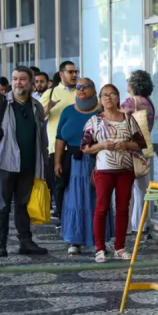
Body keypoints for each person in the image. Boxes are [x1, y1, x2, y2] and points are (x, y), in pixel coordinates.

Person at [0, 66, 49, 258]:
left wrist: (43, 160)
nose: (18, 82)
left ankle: (26, 242)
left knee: (22, 204)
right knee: (2, 205)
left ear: (31, 82)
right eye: (15, 78)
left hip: (28, 164)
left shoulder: (36, 106)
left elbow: (41, 136)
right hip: (4, 161)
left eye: (22, 79)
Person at [80, 83, 147, 263]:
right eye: (105, 95)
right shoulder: (94, 121)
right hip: (103, 170)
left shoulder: (128, 118)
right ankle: (100, 248)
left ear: (118, 97)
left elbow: (141, 144)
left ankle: (120, 247)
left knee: (123, 208)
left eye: (112, 94)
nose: (108, 98)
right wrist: (102, 145)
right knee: (101, 208)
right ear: (100, 99)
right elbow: (85, 147)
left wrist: (126, 144)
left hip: (125, 169)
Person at [55, 78, 104, 255]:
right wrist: (57, 162)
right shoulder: (67, 111)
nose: (81, 90)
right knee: (73, 200)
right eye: (78, 87)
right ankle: (74, 240)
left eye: (85, 87)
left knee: (96, 200)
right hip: (73, 161)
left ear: (93, 90)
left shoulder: (101, 111)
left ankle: (99, 240)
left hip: (97, 160)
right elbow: (60, 138)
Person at [41, 61, 79, 223]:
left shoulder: (82, 92)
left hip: (80, 146)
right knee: (59, 184)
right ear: (62, 73)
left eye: (76, 72)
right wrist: (49, 107)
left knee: (78, 183)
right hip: (56, 147)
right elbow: (39, 117)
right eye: (70, 72)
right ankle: (63, 218)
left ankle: (76, 217)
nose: (74, 75)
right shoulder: (50, 93)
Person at [122, 70, 157, 239]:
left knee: (126, 188)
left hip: (131, 148)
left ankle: (127, 226)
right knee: (141, 189)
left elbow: (121, 122)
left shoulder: (131, 102)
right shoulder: (149, 102)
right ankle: (141, 225)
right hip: (145, 149)